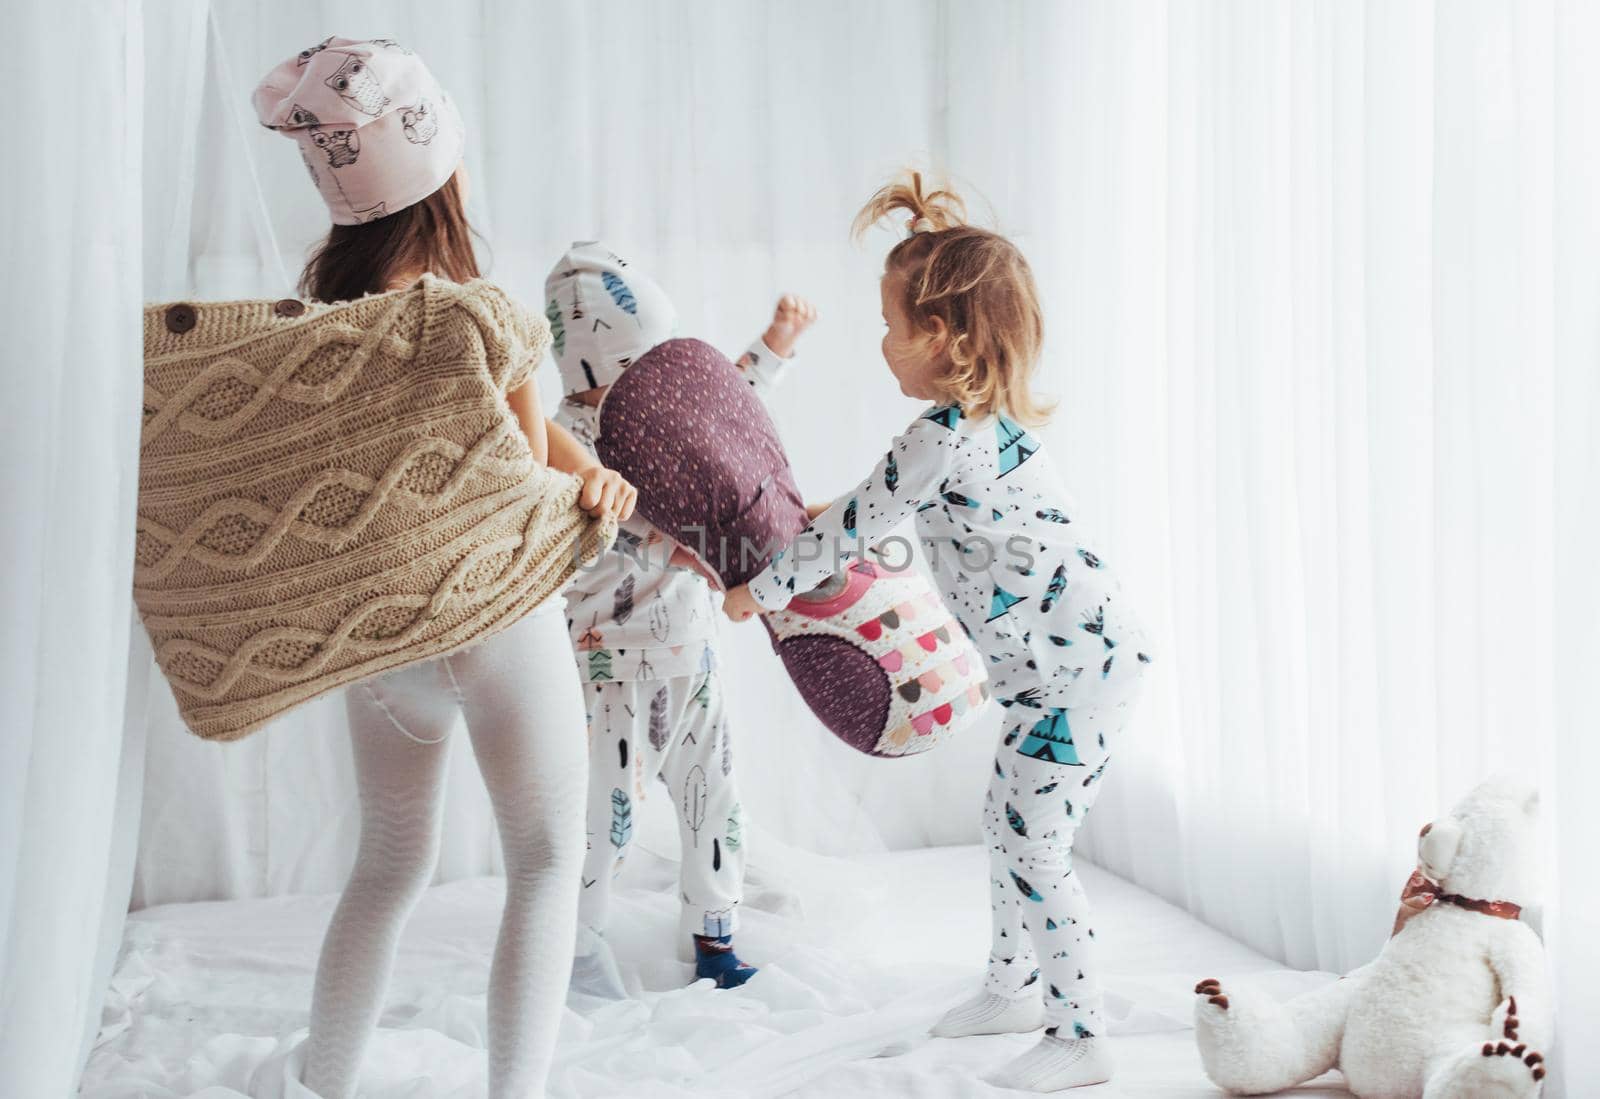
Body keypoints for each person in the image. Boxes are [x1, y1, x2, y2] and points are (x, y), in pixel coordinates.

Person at [252, 38, 634, 1099]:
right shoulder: (489, 312)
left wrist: (588, 464)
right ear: (441, 176)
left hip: (380, 642)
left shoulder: (314, 326)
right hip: (494, 628)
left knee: (385, 867)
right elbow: (512, 470)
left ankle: (321, 1082)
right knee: (546, 862)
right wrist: (587, 483)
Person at [722, 174, 1150, 1092]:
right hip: (1071, 667)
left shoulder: (940, 437)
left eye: (888, 323)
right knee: (1006, 824)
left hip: (1078, 676)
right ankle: (1012, 985)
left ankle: (1082, 1029)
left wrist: (759, 590)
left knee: (1035, 844)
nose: (881, 342)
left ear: (942, 337)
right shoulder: (979, 430)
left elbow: (850, 528)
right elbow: (872, 505)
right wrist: (801, 525)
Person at [545, 241, 814, 989]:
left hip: (692, 653)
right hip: (615, 661)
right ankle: (570, 945)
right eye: (642, 368)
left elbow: (730, 408)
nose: (659, 384)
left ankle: (715, 937)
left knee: (716, 797)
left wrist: (775, 346)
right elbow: (599, 517)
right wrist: (670, 541)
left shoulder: (671, 406)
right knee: (608, 815)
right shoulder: (565, 437)